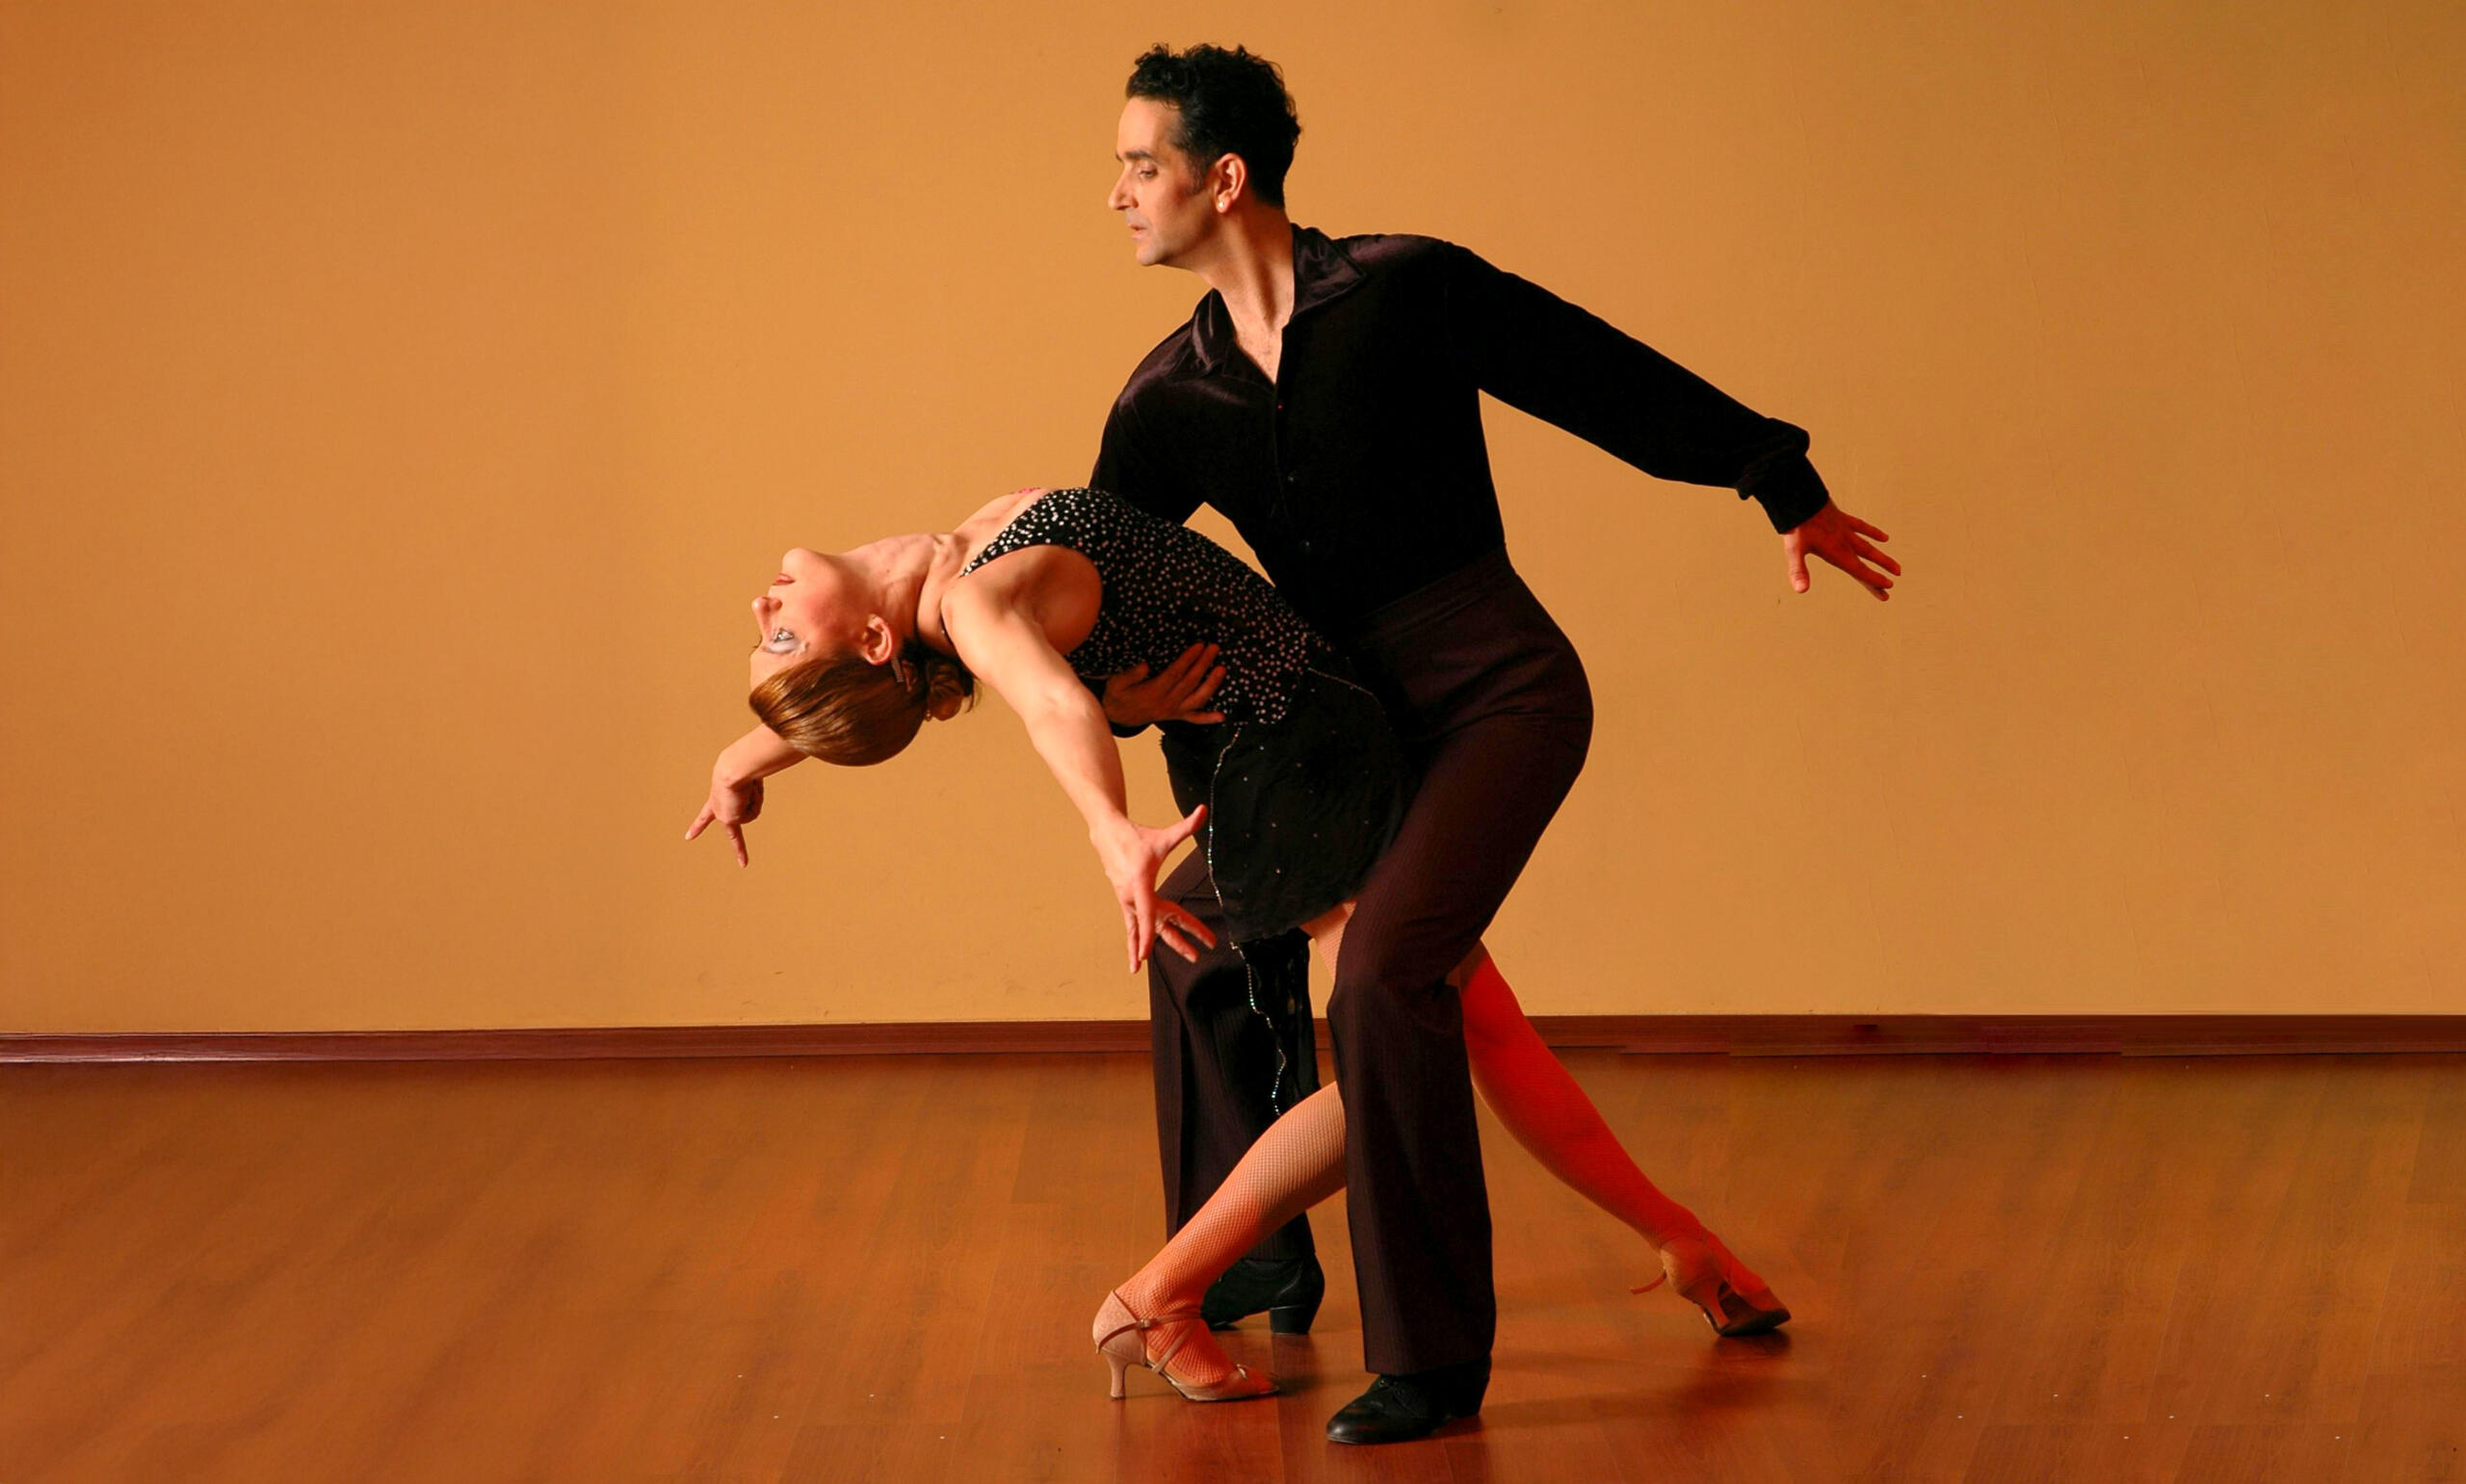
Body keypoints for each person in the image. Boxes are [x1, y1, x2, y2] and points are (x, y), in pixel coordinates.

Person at [1086, 43, 1899, 1442]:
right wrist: (1130, 715)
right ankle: (1268, 1261)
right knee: (1207, 932)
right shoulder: (1170, 396)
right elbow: (1103, 594)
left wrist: (1780, 477)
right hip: (1344, 728)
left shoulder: (1399, 289)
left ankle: (1434, 1365)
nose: (1117, 196)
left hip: (1498, 687)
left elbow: (1593, 374)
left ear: (1225, 179)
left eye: (1139, 166)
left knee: (1389, 977)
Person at [686, 484, 1791, 1408]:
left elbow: (962, 679)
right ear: (874, 638)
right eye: (777, 630)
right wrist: (1108, 827)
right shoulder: (972, 604)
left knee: (1468, 1022)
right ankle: (1161, 1293)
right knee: (1410, 1046)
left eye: (771, 627)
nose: (762, 597)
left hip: (1291, 748)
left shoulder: (944, 597)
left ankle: (1684, 1243)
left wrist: (746, 757)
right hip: (1295, 757)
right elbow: (1050, 704)